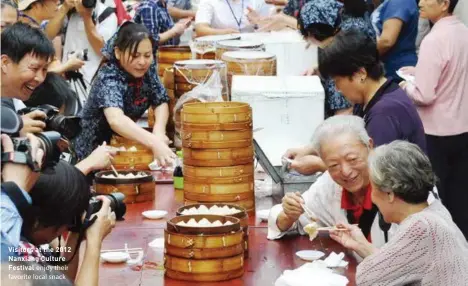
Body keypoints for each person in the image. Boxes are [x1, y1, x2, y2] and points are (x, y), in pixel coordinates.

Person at [330, 141, 468, 285]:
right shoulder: (435, 211)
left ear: (389, 194)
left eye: (373, 188)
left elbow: (367, 279)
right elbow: (399, 267)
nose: (371, 197)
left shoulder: (421, 227)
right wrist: (361, 245)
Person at [269, 116, 404, 251]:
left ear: (370, 146)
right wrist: (289, 214)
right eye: (333, 165)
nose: (345, 172)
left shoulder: (398, 185)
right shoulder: (330, 186)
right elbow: (291, 220)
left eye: (352, 159)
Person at [399, 0, 468, 239]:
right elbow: (453, 72)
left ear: (444, 3)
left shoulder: (434, 39)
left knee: (434, 203)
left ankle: (438, 255)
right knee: (459, 200)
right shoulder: (462, 31)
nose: (420, 3)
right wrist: (418, 72)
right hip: (462, 128)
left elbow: (424, 95)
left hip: (435, 133)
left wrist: (406, 86)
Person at [73, 22, 175, 166]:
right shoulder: (109, 75)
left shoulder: (148, 68)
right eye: (135, 55)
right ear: (118, 52)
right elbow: (116, 120)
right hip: (91, 153)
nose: (142, 62)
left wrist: (159, 130)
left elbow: (160, 100)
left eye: (147, 55)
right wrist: (154, 142)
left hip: (121, 150)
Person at [17, 161, 116, 286]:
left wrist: (76, 232)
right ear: (41, 221)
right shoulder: (19, 254)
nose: (66, 226)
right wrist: (94, 241)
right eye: (67, 220)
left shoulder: (13, 232)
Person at [298, 0, 375, 118]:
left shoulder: (344, 47)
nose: (307, 40)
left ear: (314, 33)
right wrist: (319, 69)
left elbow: (345, 113)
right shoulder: (346, 27)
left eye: (307, 35)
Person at [1, 23, 55, 136]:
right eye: (34, 68)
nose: (40, 78)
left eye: (44, 70)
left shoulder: (16, 103)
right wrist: (15, 131)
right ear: (5, 63)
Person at [62, 0, 118, 106]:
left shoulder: (106, 14)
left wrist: (86, 16)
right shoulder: (69, 11)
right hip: (67, 79)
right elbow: (48, 34)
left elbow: (103, 50)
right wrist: (64, 8)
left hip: (91, 81)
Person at [17, 0, 86, 74]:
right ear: (36, 5)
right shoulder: (26, 30)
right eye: (54, 0)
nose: (58, 2)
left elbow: (48, 35)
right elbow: (33, 74)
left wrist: (65, 7)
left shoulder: (26, 23)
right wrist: (66, 67)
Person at [370, 0, 419, 79]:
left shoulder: (399, 2)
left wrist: (365, 59)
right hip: (390, 65)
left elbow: (387, 41)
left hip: (397, 68)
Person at [195, 0, 272, 36]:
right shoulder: (208, 2)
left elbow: (268, 31)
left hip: (253, 50)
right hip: (221, 49)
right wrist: (223, 33)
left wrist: (258, 22)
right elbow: (200, 29)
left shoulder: (257, 2)